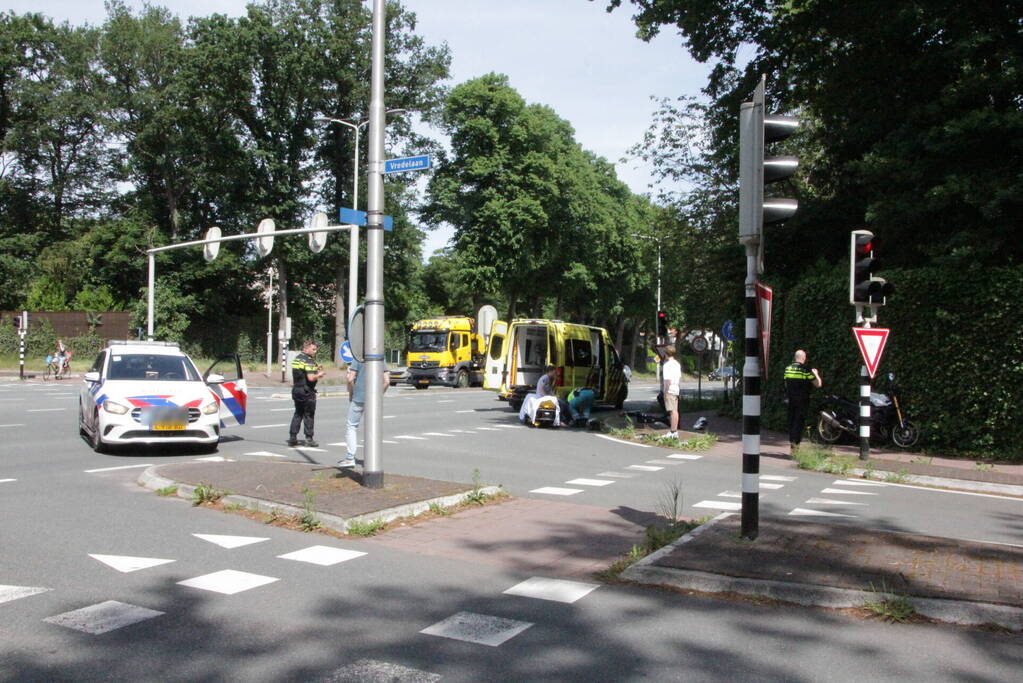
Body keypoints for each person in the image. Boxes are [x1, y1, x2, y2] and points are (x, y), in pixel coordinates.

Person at [339, 357, 390, 468]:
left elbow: (350, 379)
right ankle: (373, 458)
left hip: (359, 397)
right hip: (374, 399)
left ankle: (350, 457)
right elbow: (387, 381)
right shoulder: (380, 358)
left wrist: (352, 393)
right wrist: (379, 395)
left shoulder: (358, 358)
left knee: (352, 425)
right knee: (373, 428)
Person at [784, 349, 823, 453]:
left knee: (792, 422)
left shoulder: (787, 369)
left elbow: (786, 383)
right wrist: (816, 374)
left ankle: (792, 444)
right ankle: (796, 446)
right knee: (799, 423)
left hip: (791, 400)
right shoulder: (805, 370)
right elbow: (818, 384)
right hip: (802, 401)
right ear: (803, 358)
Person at [288, 340, 325, 447]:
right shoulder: (309, 360)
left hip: (296, 389)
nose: (315, 351)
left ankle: (292, 437)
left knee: (298, 413)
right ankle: (309, 439)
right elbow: (310, 377)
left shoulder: (297, 359)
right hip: (307, 391)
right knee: (309, 414)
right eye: (313, 349)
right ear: (306, 348)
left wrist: (315, 369)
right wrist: (319, 374)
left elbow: (301, 372)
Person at [661, 346, 682, 439]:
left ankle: (673, 432)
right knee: (675, 411)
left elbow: (667, 380)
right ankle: (675, 430)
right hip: (676, 388)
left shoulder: (667, 365)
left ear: (665, 354)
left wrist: (665, 392)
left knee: (672, 411)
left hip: (670, 389)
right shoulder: (677, 364)